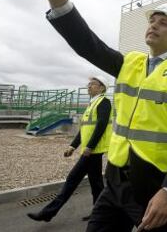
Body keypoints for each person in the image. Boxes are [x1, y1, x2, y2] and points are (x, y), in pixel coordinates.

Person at [6, 0, 167, 232]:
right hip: (114, 180)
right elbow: (86, 43)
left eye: (163, 23)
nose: (153, 25)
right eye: (152, 21)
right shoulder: (130, 62)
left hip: (154, 186)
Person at [27, 76, 112, 222]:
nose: (89, 86)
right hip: (90, 151)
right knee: (96, 184)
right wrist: (73, 146)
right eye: (89, 84)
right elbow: (84, 129)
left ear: (102, 87)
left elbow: (101, 126)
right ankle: (101, 215)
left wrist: (90, 147)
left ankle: (48, 213)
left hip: (92, 151)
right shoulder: (92, 104)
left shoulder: (104, 102)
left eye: (93, 84)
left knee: (73, 179)